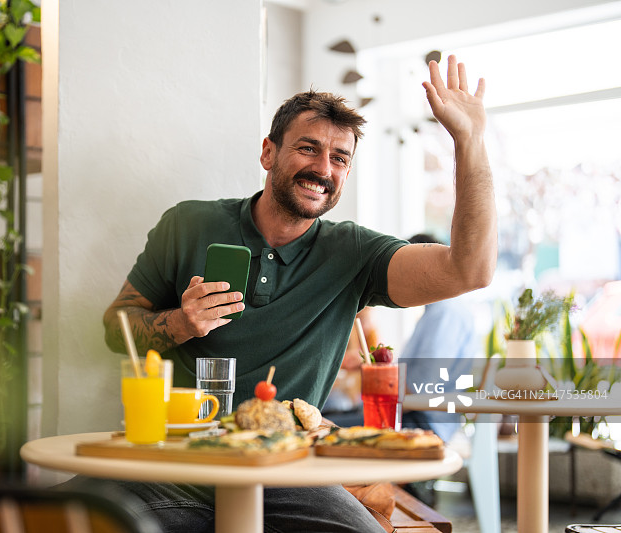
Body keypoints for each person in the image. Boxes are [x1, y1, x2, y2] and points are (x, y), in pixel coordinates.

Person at [94, 55, 496, 532]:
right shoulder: (188, 224)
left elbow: (469, 270)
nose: (323, 168)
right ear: (268, 153)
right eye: (308, 148)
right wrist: (180, 323)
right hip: (175, 465)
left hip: (290, 475)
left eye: (340, 158)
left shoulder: (355, 253)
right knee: (59, 516)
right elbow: (116, 329)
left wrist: (470, 141)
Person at [400, 233, 481, 443]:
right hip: (420, 417)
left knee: (329, 426)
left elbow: (419, 389)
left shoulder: (444, 314)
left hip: (424, 423)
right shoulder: (438, 310)